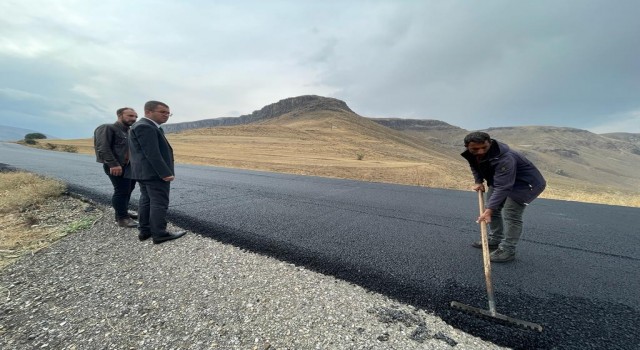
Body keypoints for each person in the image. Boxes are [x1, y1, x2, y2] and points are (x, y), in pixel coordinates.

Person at [461, 131, 546, 263]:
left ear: (490, 143)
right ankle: (495, 239)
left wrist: (489, 210)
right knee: (491, 209)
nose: (481, 151)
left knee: (510, 213)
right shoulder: (473, 154)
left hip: (525, 184)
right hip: (501, 180)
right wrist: (478, 181)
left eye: (484, 147)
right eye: (475, 149)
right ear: (467, 147)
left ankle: (508, 249)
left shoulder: (505, 157)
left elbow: (504, 187)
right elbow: (475, 166)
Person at [128, 100, 186, 244]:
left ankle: (145, 230)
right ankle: (160, 233)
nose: (166, 115)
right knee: (159, 202)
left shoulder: (144, 126)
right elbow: (152, 153)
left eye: (168, 113)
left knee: (146, 200)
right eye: (162, 112)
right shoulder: (145, 127)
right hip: (153, 174)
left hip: (144, 173)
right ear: (148, 112)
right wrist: (164, 173)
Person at [94, 107, 139, 228]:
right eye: (130, 116)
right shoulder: (107, 128)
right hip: (116, 166)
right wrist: (113, 164)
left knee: (128, 190)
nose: (133, 118)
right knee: (121, 191)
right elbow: (102, 147)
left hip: (129, 166)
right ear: (120, 115)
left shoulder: (129, 131)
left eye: (135, 116)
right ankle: (122, 218)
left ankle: (123, 211)